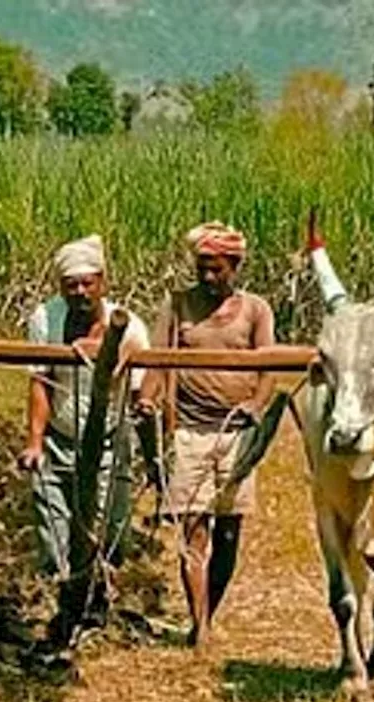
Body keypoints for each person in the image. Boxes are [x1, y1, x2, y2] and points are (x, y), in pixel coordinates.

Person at [137, 221, 275, 648]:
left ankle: (208, 611)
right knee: (193, 530)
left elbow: (268, 369)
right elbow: (157, 361)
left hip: (237, 434)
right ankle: (201, 626)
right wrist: (147, 398)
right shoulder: (178, 305)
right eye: (202, 269)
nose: (208, 277)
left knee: (228, 534)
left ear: (234, 267)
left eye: (217, 269)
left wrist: (256, 405)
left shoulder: (256, 310)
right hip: (190, 433)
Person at [18, 234, 151, 578]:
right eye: (71, 285)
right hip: (59, 434)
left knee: (111, 521)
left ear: (102, 283)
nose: (79, 292)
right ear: (60, 287)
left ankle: (106, 584)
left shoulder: (131, 326)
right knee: (52, 515)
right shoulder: (46, 319)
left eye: (87, 284)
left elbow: (141, 392)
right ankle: (58, 583)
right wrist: (34, 442)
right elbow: (40, 382)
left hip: (110, 435)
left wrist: (148, 438)